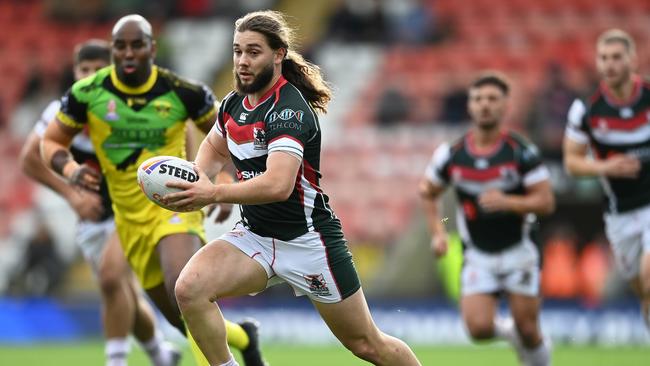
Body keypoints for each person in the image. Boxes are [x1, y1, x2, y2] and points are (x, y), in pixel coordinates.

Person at [163, 10, 422, 366]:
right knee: (189, 289)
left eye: (253, 52)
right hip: (255, 237)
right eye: (237, 51)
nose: (242, 61)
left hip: (308, 241)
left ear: (278, 54)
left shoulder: (289, 110)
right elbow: (212, 149)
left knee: (367, 345)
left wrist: (213, 193)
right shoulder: (232, 106)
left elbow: (278, 185)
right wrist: (196, 178)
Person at [39, 15, 266, 366]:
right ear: (113, 50)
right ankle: (241, 336)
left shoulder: (183, 92)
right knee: (181, 318)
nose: (128, 53)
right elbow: (51, 141)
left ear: (152, 49)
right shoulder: (87, 93)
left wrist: (223, 179)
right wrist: (69, 170)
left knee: (185, 288)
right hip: (128, 220)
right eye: (121, 46)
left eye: (136, 45)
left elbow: (227, 132)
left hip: (175, 204)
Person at [20, 39, 180, 366]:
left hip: (133, 207)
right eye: (84, 69)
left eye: (98, 69)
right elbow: (29, 159)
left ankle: (115, 360)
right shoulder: (61, 112)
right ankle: (161, 354)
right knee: (123, 294)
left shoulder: (130, 108)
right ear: (76, 72)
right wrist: (72, 195)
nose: (89, 75)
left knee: (110, 277)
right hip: (92, 214)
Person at [419, 72, 554, 366]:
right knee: (478, 329)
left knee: (530, 330)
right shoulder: (452, 155)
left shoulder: (521, 152)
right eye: (478, 99)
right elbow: (428, 191)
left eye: (493, 99)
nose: (485, 105)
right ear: (469, 106)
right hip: (478, 253)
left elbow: (545, 201)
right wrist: (438, 233)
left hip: (519, 249)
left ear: (506, 106)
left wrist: (509, 201)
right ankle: (513, 335)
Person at [563, 29, 650, 333]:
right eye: (603, 58)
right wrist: (607, 166)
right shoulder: (586, 110)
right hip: (620, 212)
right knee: (644, 293)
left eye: (616, 57)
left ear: (633, 59)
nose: (609, 64)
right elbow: (572, 162)